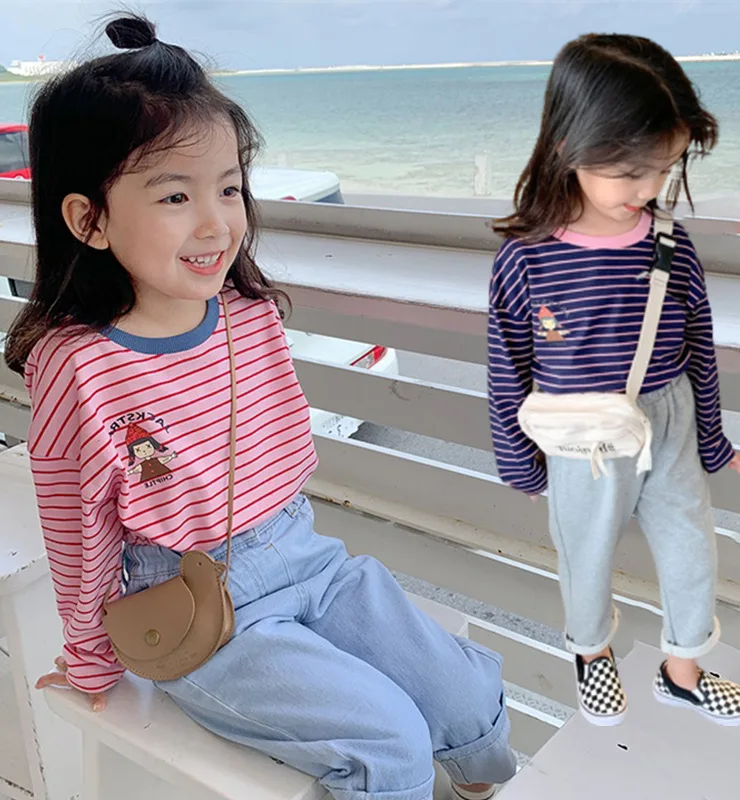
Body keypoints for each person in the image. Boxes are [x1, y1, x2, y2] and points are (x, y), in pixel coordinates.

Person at [9, 16, 517, 800]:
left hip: (309, 556)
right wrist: (90, 655)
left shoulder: (247, 314)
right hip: (200, 607)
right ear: (90, 220)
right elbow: (79, 527)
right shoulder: (79, 366)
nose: (217, 222)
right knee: (390, 745)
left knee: (467, 700)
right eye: (175, 195)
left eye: (229, 188)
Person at [488, 33, 740, 727]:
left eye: (663, 168)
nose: (648, 189)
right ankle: (591, 652)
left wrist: (712, 438)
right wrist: (518, 459)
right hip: (581, 434)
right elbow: (508, 365)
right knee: (585, 555)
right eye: (630, 170)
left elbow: (699, 347)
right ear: (569, 146)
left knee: (692, 547)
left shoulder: (670, 243)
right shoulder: (526, 259)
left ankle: (682, 670)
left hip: (669, 416)